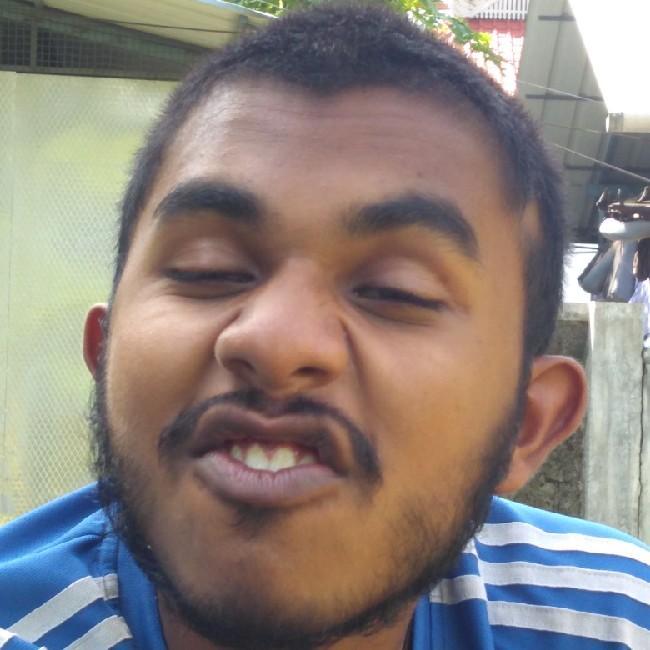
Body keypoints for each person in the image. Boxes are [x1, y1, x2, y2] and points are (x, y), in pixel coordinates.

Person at [1, 4, 649, 649]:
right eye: (210, 269)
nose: (274, 340)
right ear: (104, 354)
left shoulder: (619, 623)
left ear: (526, 424)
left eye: (395, 291)